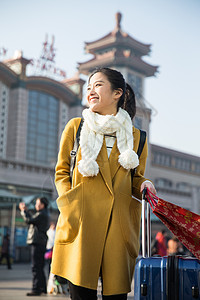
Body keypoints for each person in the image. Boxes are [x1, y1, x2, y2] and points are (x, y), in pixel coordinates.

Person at [51, 67, 156, 299]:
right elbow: (61, 172)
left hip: (118, 227)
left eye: (98, 85)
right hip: (82, 221)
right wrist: (70, 204)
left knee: (115, 296)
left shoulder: (137, 137)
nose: (91, 91)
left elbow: (135, 177)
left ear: (117, 93)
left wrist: (145, 183)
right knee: (80, 294)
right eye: (89, 87)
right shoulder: (76, 126)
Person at [19, 197, 49, 296]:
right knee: (39, 267)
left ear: (43, 205)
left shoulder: (41, 214)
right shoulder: (43, 214)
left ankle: (36, 289)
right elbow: (33, 219)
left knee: (36, 267)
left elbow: (29, 220)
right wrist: (26, 211)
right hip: (40, 243)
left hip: (37, 243)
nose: (36, 205)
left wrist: (23, 211)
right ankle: (43, 288)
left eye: (37, 203)